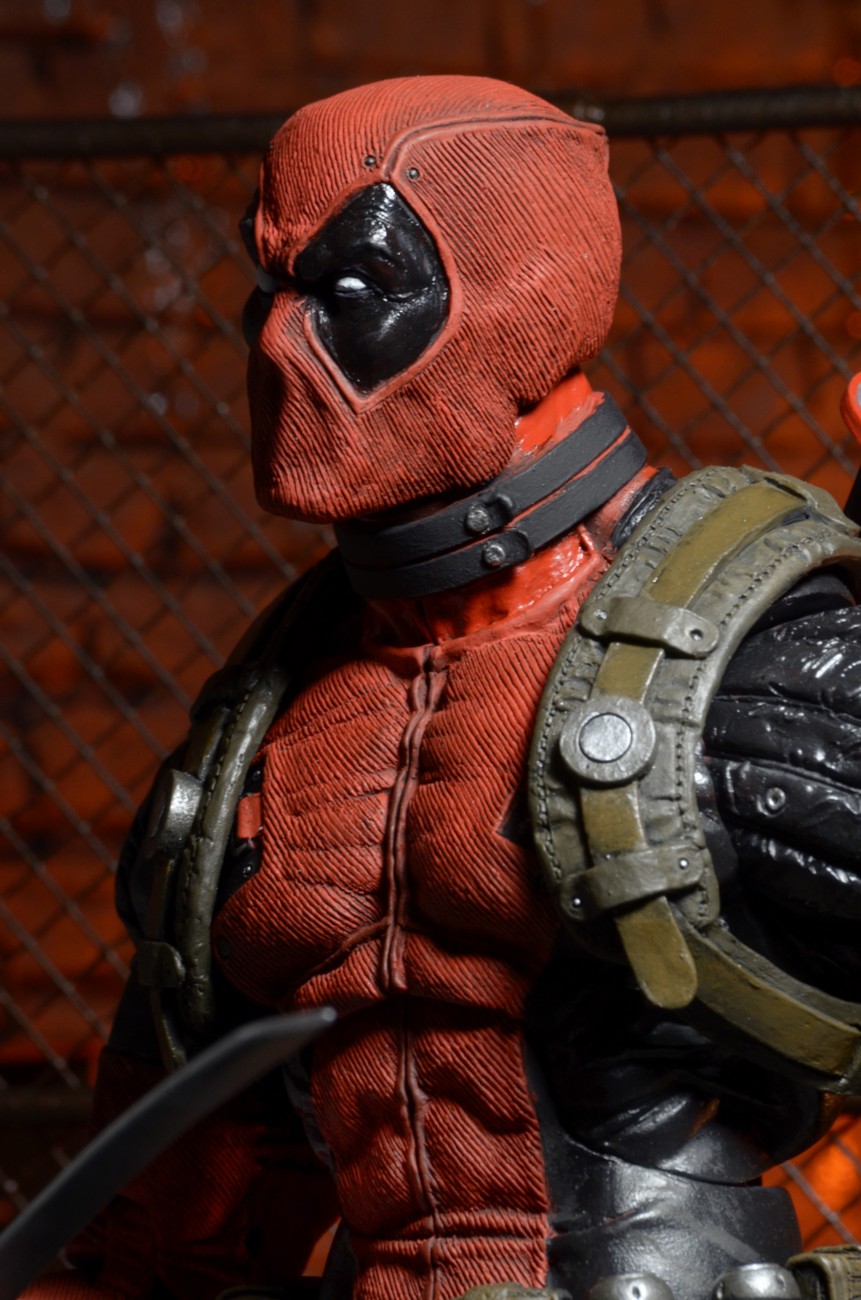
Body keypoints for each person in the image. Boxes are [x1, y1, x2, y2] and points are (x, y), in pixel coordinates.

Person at [25, 75, 861, 1300]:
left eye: (351, 290)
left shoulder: (746, 656)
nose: (278, 344)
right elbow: (170, 1225)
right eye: (273, 287)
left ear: (524, 297)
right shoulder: (266, 716)